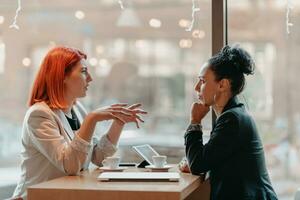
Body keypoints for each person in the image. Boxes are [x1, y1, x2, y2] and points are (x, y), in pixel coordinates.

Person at [11, 46, 147, 199]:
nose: (90, 78)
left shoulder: (77, 109)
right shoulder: (39, 115)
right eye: (83, 71)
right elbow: (70, 166)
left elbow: (98, 158)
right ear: (61, 76)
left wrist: (118, 123)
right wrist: (91, 120)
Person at [181, 45, 278, 200]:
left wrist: (195, 122)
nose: (196, 87)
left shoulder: (232, 119)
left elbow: (198, 164)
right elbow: (206, 160)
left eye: (202, 81)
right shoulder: (233, 114)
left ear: (222, 84)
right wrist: (195, 162)